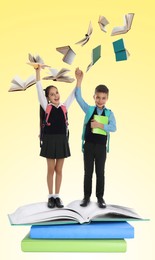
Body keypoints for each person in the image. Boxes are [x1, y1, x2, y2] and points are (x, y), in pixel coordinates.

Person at [75, 68, 116, 208]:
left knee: (100, 173)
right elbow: (78, 98)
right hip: (89, 146)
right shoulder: (89, 110)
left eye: (103, 98)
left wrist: (100, 125)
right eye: (98, 97)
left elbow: (114, 127)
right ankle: (86, 197)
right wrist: (79, 80)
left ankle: (100, 198)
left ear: (107, 98)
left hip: (101, 148)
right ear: (94, 97)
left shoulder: (109, 113)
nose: (100, 100)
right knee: (88, 172)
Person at [35, 65, 75, 208]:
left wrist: (79, 80)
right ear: (47, 98)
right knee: (50, 169)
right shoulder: (47, 107)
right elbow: (39, 90)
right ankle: (50, 196)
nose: (56, 95)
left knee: (59, 170)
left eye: (57, 92)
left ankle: (57, 196)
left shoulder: (64, 107)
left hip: (62, 140)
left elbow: (73, 94)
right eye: (52, 94)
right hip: (50, 141)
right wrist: (37, 72)